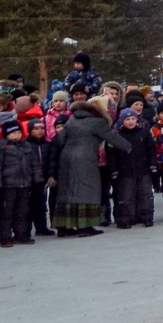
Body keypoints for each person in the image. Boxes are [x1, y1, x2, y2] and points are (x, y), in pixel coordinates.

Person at [52, 98, 132, 237]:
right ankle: (85, 227)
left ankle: (64, 227)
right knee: (86, 189)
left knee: (67, 191)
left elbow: (60, 140)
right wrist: (129, 147)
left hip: (66, 157)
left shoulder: (72, 120)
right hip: (85, 158)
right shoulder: (98, 122)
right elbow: (113, 137)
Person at [0, 121, 42, 246]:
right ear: (6, 134)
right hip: (8, 186)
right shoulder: (0, 148)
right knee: (6, 213)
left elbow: (34, 165)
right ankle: (5, 237)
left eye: (19, 132)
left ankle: (21, 235)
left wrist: (38, 181)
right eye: (14, 133)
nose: (17, 135)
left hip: (25, 185)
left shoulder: (26, 146)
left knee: (22, 211)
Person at [109, 108, 157, 229]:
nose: (130, 122)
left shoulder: (144, 133)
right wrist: (114, 169)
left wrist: (153, 165)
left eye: (133, 119)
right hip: (125, 171)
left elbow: (151, 150)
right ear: (122, 121)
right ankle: (126, 219)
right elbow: (112, 154)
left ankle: (147, 217)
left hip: (143, 169)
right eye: (127, 119)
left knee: (146, 194)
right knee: (126, 196)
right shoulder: (118, 135)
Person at [24, 119, 56, 236]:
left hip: (42, 179)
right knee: (26, 206)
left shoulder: (47, 145)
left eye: (42, 128)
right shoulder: (26, 145)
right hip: (29, 179)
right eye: (36, 129)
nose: (40, 131)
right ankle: (25, 229)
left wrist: (51, 175)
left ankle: (41, 227)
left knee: (41, 204)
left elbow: (51, 161)